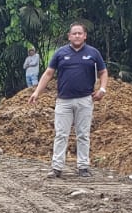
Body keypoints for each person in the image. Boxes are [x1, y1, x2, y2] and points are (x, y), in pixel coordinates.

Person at [28, 23, 107, 178]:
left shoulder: (93, 53)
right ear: (69, 36)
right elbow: (48, 73)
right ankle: (57, 168)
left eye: (80, 33)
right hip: (64, 101)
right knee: (61, 134)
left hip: (85, 100)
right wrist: (37, 92)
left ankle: (83, 167)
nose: (77, 36)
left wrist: (102, 89)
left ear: (85, 36)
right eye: (74, 33)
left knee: (83, 134)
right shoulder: (60, 53)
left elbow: (103, 72)